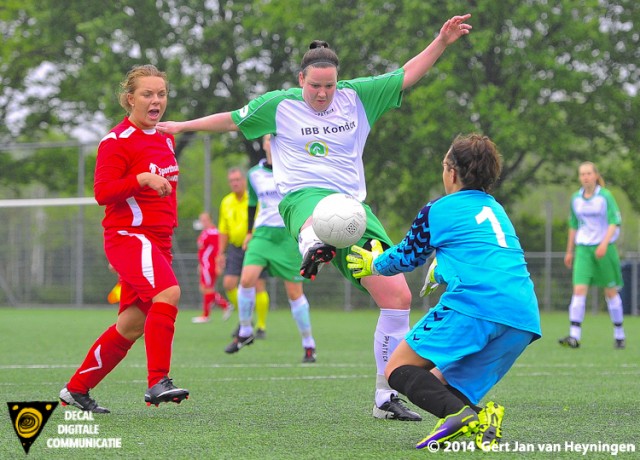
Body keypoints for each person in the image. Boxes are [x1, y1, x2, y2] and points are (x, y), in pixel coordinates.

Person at [157, 13, 473, 421]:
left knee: (398, 297)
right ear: (301, 79)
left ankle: (384, 399)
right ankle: (313, 244)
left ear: (337, 81)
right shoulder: (279, 104)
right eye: (315, 86)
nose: (323, 94)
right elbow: (232, 120)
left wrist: (441, 41)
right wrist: (182, 125)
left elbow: (406, 74)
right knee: (320, 215)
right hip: (302, 200)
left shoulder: (358, 97)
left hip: (355, 212)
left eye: (329, 85)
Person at [346, 134, 542, 449]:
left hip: (477, 305)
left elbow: (407, 257)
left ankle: (463, 418)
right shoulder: (497, 211)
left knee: (397, 369)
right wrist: (442, 270)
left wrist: (373, 263)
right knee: (437, 384)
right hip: (522, 317)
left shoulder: (438, 210)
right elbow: (485, 257)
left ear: (451, 172)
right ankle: (481, 417)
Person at [59, 64, 189, 413]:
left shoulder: (165, 136)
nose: (156, 100)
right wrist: (143, 179)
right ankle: (158, 381)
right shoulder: (116, 142)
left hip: (158, 241)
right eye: (147, 94)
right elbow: (102, 192)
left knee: (131, 327)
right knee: (169, 293)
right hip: (128, 236)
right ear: (129, 99)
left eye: (161, 93)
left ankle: (76, 389)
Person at [224, 134, 317, 363]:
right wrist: (248, 232)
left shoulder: (295, 170)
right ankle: (245, 330)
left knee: (294, 293)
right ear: (265, 144)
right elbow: (252, 204)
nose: (273, 141)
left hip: (287, 236)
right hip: (263, 234)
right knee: (246, 280)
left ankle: (308, 344)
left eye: (277, 137)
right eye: (269, 138)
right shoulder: (254, 174)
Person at [559, 161, 626, 349]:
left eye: (589, 173)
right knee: (579, 290)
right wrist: (569, 251)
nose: (586, 177)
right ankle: (574, 336)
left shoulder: (605, 196)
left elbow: (614, 222)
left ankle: (619, 334)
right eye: (582, 174)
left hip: (604, 250)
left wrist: (604, 244)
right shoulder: (576, 199)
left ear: (596, 175)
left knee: (610, 292)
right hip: (583, 250)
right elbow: (573, 225)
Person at [217, 167, 270, 338]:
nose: (235, 183)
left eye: (238, 179)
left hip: (255, 245)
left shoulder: (254, 199)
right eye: (232, 181)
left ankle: (261, 326)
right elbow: (223, 229)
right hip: (235, 247)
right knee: (229, 283)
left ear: (244, 181)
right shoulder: (226, 202)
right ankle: (245, 318)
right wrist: (220, 253)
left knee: (259, 285)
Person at [192, 212, 234, 323]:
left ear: (210, 219)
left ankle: (209, 313)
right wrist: (200, 264)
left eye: (205, 220)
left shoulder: (213, 232)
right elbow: (203, 250)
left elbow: (217, 250)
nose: (203, 222)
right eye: (201, 220)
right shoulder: (205, 232)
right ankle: (223, 306)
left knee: (208, 289)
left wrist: (218, 265)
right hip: (204, 264)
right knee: (204, 288)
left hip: (210, 265)